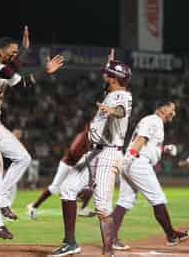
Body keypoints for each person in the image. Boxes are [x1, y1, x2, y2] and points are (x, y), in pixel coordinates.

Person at [0, 27, 64, 240]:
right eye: (12, 52)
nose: (14, 55)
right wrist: (26, 51)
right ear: (0, 50)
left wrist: (45, 72)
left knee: (23, 158)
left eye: (16, 53)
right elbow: (9, 73)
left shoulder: (2, 67)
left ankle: (1, 200)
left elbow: (25, 82)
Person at [50, 59, 132, 257]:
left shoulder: (123, 95)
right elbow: (109, 91)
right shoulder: (110, 93)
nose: (104, 75)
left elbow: (121, 111)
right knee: (67, 188)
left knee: (102, 207)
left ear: (115, 78)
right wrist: (111, 62)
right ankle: (70, 243)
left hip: (109, 153)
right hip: (94, 152)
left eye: (108, 73)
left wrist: (112, 111)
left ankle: (108, 252)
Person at [112, 101, 189, 251]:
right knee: (158, 199)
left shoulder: (153, 121)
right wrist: (130, 157)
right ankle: (171, 236)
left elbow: (149, 145)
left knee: (124, 201)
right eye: (172, 110)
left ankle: (111, 237)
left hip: (133, 161)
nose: (174, 113)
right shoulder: (153, 121)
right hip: (137, 163)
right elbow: (140, 139)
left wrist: (165, 148)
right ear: (162, 109)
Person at [26, 124, 95, 219]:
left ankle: (82, 208)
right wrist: (84, 159)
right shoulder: (83, 136)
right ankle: (33, 207)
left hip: (77, 166)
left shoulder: (91, 138)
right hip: (68, 165)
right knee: (54, 188)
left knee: (91, 184)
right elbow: (73, 151)